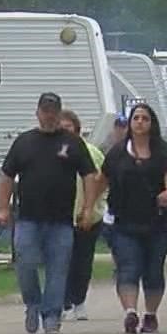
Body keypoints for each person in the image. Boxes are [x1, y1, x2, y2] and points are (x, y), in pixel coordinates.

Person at [0, 93, 101, 334]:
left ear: (59, 112)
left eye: (53, 111)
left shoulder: (72, 143)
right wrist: (2, 207)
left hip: (61, 220)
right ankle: (33, 303)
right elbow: (7, 176)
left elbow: (89, 176)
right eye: (45, 111)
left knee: (58, 268)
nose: (49, 115)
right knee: (25, 263)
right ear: (38, 113)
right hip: (28, 218)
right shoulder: (24, 142)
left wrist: (87, 208)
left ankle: (52, 315)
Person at [101, 103, 167, 334]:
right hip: (124, 221)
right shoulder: (117, 152)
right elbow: (101, 180)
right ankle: (130, 312)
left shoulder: (163, 150)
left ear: (151, 123)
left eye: (144, 118)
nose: (139, 122)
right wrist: (89, 207)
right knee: (128, 267)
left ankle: (150, 314)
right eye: (135, 118)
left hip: (158, 222)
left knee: (153, 269)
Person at [59, 109, 109, 322]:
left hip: (88, 216)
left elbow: (100, 181)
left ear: (76, 129)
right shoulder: (54, 152)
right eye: (61, 127)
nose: (64, 131)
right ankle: (62, 302)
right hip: (60, 217)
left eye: (68, 127)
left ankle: (78, 301)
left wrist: (89, 208)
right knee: (61, 261)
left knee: (81, 261)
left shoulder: (91, 152)